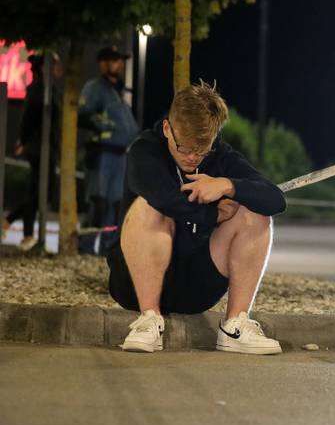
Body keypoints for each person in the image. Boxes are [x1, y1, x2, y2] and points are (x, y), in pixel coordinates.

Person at [107, 81, 286, 355]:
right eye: (185, 148)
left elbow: (276, 199)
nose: (193, 157)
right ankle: (148, 320)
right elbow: (165, 198)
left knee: (255, 214)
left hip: (194, 285)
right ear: (168, 128)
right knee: (148, 207)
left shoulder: (218, 155)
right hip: (133, 282)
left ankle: (235, 327)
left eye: (201, 149)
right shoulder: (144, 150)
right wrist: (213, 213)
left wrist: (227, 185)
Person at [2, 53, 62, 251]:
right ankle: (8, 220)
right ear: (44, 67)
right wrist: (23, 140)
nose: (58, 68)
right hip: (39, 149)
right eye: (54, 64)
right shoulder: (38, 89)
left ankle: (27, 236)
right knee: (42, 194)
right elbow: (28, 118)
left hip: (44, 147)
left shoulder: (49, 89)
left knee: (34, 193)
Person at [78, 46, 140, 229]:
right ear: (102, 64)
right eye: (114, 60)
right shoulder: (95, 88)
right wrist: (104, 125)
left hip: (120, 154)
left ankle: (107, 246)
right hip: (102, 154)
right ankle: (91, 244)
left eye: (120, 60)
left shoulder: (118, 90)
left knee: (117, 205)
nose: (119, 64)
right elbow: (82, 115)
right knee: (99, 202)